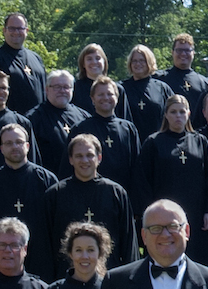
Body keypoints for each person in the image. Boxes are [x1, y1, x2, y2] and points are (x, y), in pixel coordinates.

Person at [140, 94, 208, 266]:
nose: (178, 116)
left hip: (198, 215)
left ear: (188, 114)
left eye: (182, 112)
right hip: (165, 217)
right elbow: (143, 181)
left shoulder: (200, 142)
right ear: (166, 115)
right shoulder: (154, 143)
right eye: (174, 112)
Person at [44, 134, 135, 274]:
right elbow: (46, 244)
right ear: (70, 159)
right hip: (66, 278)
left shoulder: (115, 192)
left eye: (90, 155)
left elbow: (129, 242)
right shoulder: (55, 194)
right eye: (79, 156)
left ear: (99, 158)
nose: (84, 160)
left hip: (109, 277)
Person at [0, 125, 60, 280]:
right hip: (3, 263)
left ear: (28, 146)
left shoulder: (46, 180)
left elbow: (56, 225)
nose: (15, 147)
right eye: (9, 143)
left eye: (19, 142)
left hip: (42, 261)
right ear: (1, 148)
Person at [71, 76, 143, 204]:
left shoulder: (128, 129)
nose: (105, 98)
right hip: (89, 196)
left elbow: (137, 168)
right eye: (100, 94)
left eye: (110, 94)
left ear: (117, 97)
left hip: (123, 196)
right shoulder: (80, 128)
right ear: (92, 99)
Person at [0, 12, 46, 114]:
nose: (16, 32)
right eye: (12, 28)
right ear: (4, 31)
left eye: (20, 28)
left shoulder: (36, 59)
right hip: (9, 126)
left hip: (38, 125)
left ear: (26, 31)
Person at [26, 69, 86, 178]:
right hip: (48, 181)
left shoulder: (84, 117)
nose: (62, 91)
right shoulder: (33, 118)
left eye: (66, 87)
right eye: (57, 87)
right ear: (47, 89)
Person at [119, 44, 177, 141]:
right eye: (134, 61)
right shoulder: (121, 88)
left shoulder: (162, 88)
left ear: (149, 62)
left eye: (142, 60)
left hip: (158, 143)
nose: (138, 64)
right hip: (130, 143)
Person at [158, 33, 208, 121]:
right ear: (172, 52)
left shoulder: (203, 83)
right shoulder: (160, 79)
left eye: (187, 50)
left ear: (193, 53)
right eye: (179, 50)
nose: (183, 54)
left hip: (196, 132)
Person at [71, 43, 110, 115]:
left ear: (104, 61)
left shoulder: (116, 90)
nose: (94, 62)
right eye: (89, 59)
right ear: (83, 64)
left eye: (98, 58)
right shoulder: (74, 89)